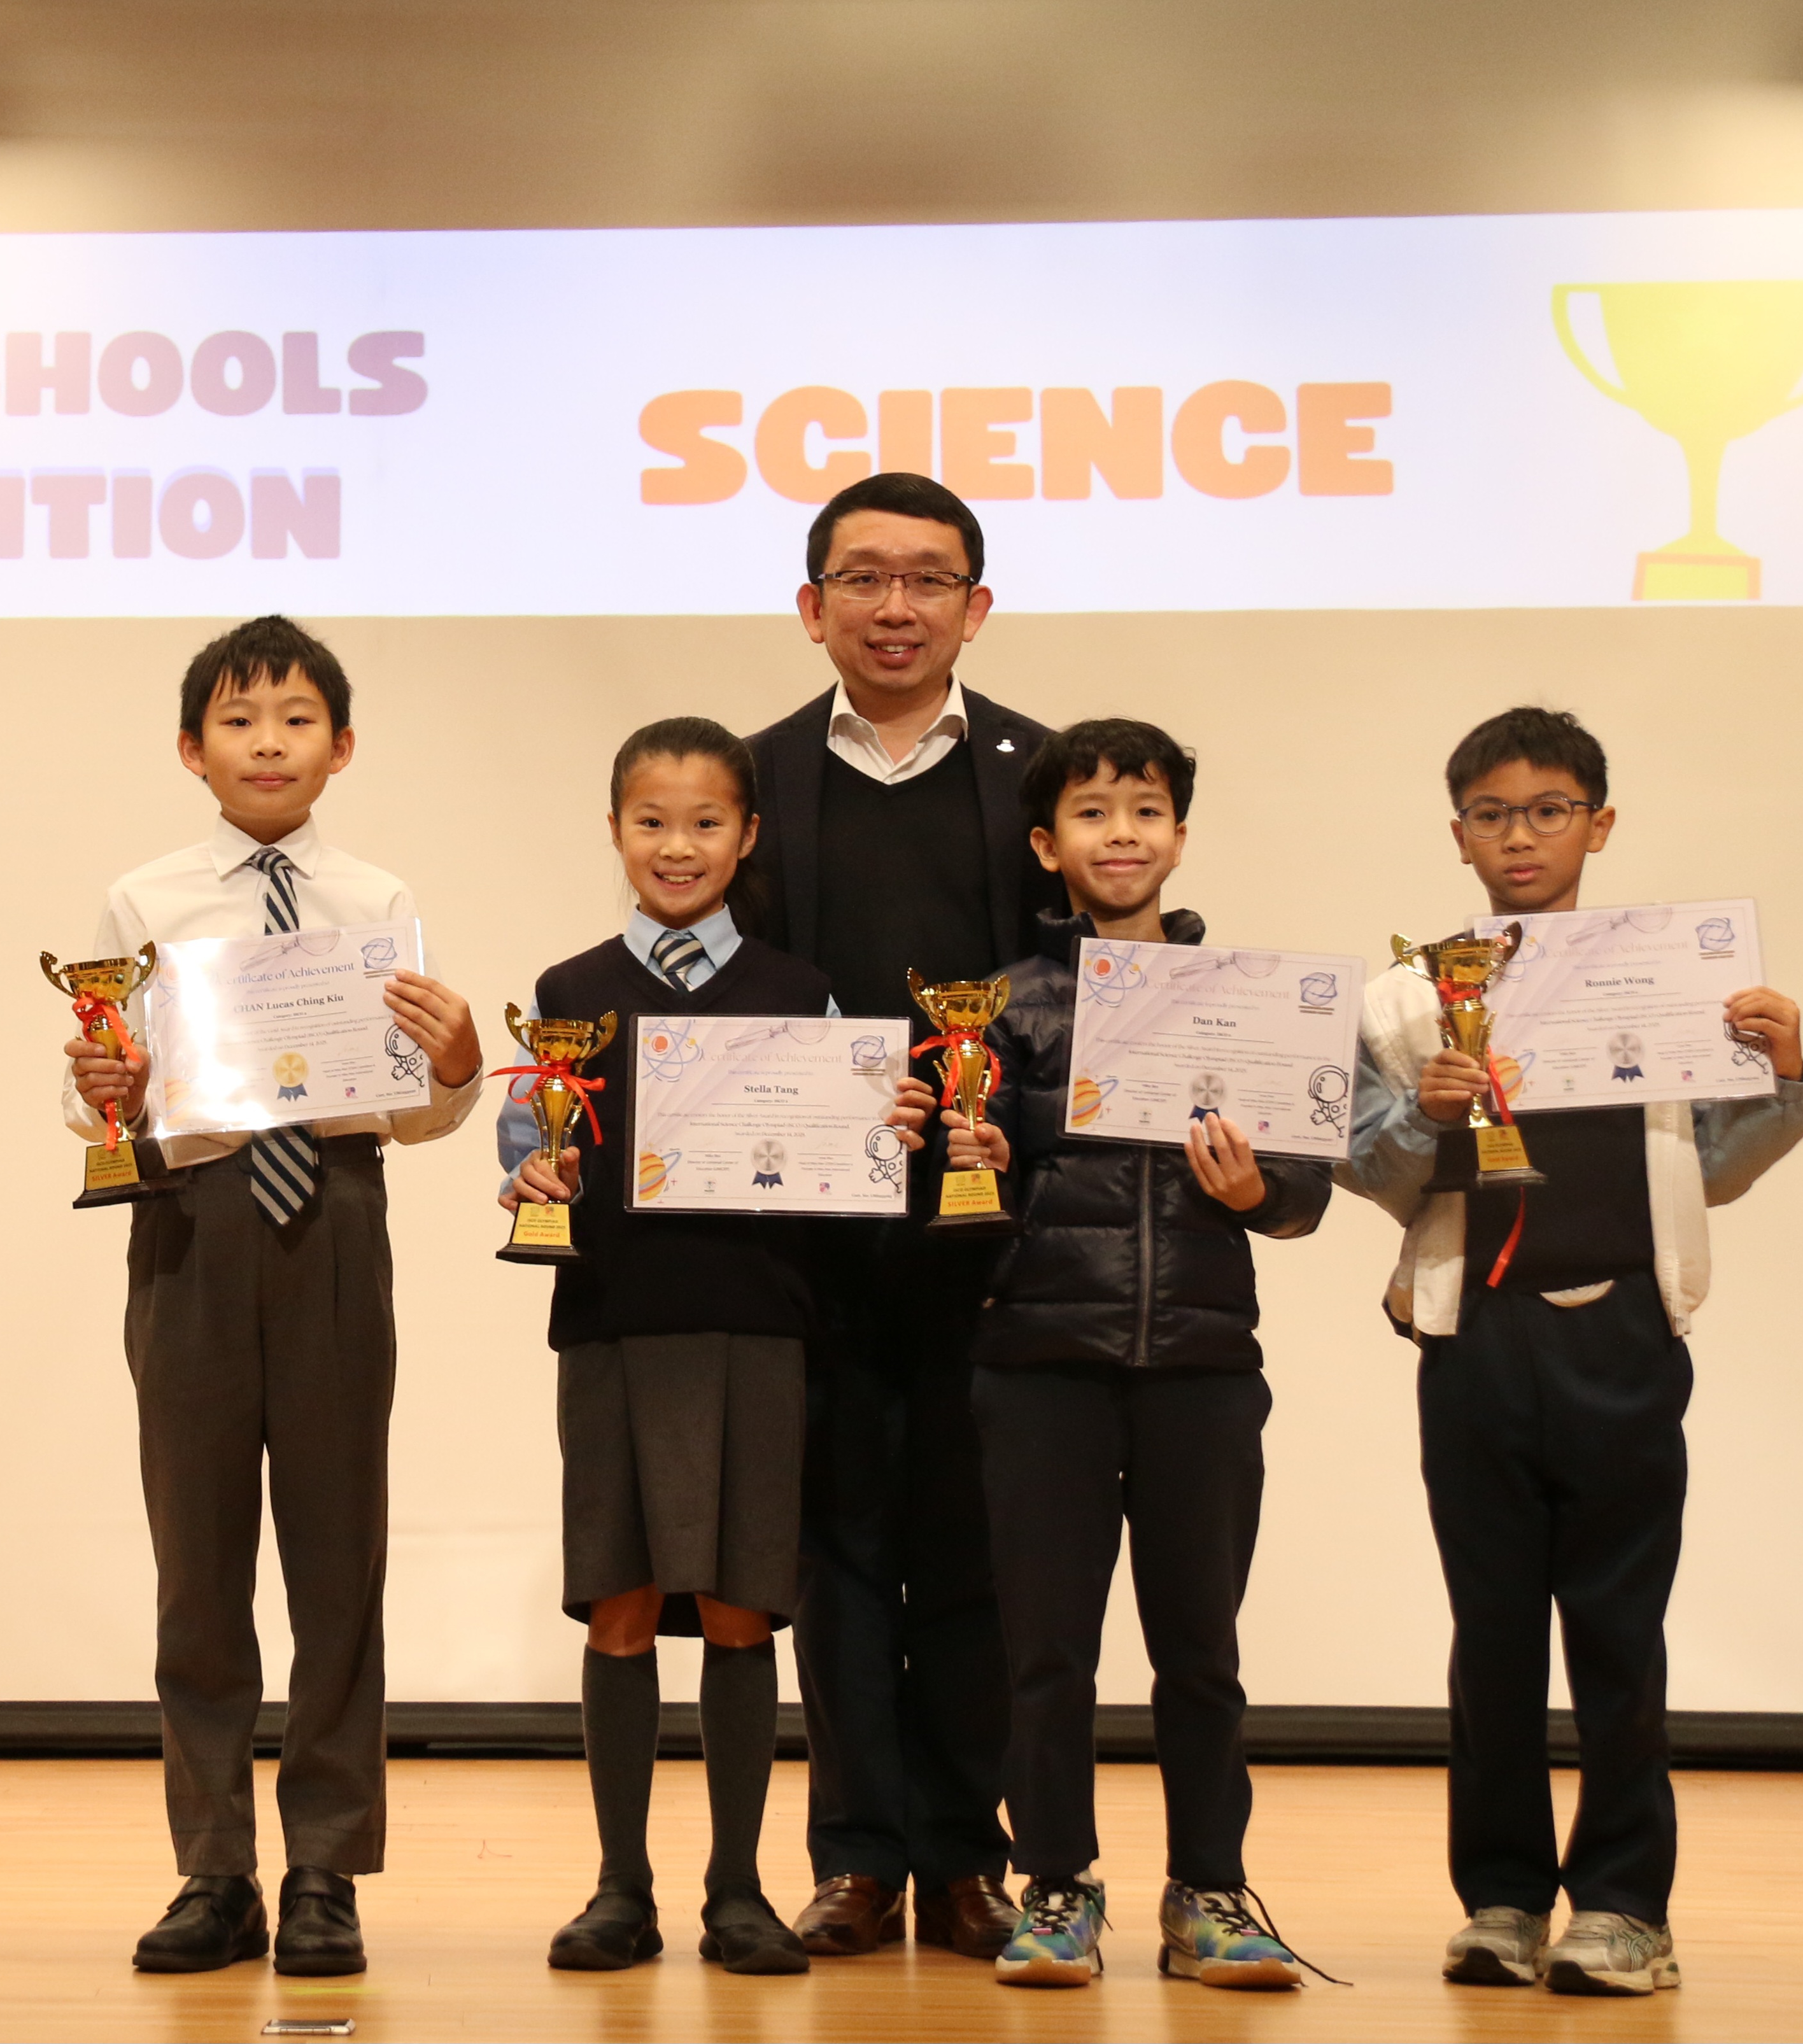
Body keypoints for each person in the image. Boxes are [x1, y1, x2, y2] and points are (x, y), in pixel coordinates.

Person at [1337, 707, 1803, 1997]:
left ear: (1597, 825)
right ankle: (1500, 1901)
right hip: (1475, 1339)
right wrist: (1425, 1117)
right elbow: (1371, 1169)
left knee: (1618, 1632)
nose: (1522, 835)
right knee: (1491, 1633)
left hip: (1623, 1332)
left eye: (1550, 810)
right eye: (1493, 814)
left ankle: (1622, 1907)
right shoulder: (1404, 996)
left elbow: (1712, 1168)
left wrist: (1783, 1075)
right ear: (1458, 836)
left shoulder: (1664, 980)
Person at [61, 615, 484, 1979]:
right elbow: (90, 1090)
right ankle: (213, 1870)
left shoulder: (375, 897)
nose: (268, 743)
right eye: (238, 721)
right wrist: (107, 1087)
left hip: (337, 1216)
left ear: (341, 746)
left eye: (297, 719)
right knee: (199, 1566)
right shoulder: (143, 901)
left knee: (336, 1557)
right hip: (192, 1221)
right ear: (192, 750)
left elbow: (413, 1107)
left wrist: (457, 1064)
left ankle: (325, 1870)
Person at [498, 717, 932, 1978]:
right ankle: (618, 1887)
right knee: (621, 1602)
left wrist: (889, 1129)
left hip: (761, 1328)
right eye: (651, 821)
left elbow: (850, 1165)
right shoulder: (567, 995)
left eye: (704, 823)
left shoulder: (805, 997)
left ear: (748, 837)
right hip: (615, 1326)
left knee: (745, 1609)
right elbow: (526, 1148)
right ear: (615, 830)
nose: (676, 846)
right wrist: (529, 1171)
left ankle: (737, 1888)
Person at [931, 718, 1333, 1991]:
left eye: (1145, 810)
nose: (1121, 835)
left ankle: (1209, 1890)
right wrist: (985, 1160)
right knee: (1046, 1653)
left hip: (1204, 1364)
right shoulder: (1000, 1004)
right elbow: (961, 1185)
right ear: (1046, 845)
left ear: (1180, 836)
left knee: (1201, 1654)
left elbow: (1305, 1192)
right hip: (1040, 1360)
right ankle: (1056, 1886)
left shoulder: (1250, 999)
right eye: (1092, 813)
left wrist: (1262, 1187)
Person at [741, 471, 1059, 1959]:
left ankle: (967, 1854)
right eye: (863, 578)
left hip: (998, 1228)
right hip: (816, 1237)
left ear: (975, 608)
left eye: (928, 579)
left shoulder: (1044, 773)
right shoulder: (749, 779)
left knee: (978, 1549)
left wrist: (1019, 1133)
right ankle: (860, 1852)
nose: (895, 606)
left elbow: (1085, 1001)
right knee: (843, 1551)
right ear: (812, 607)